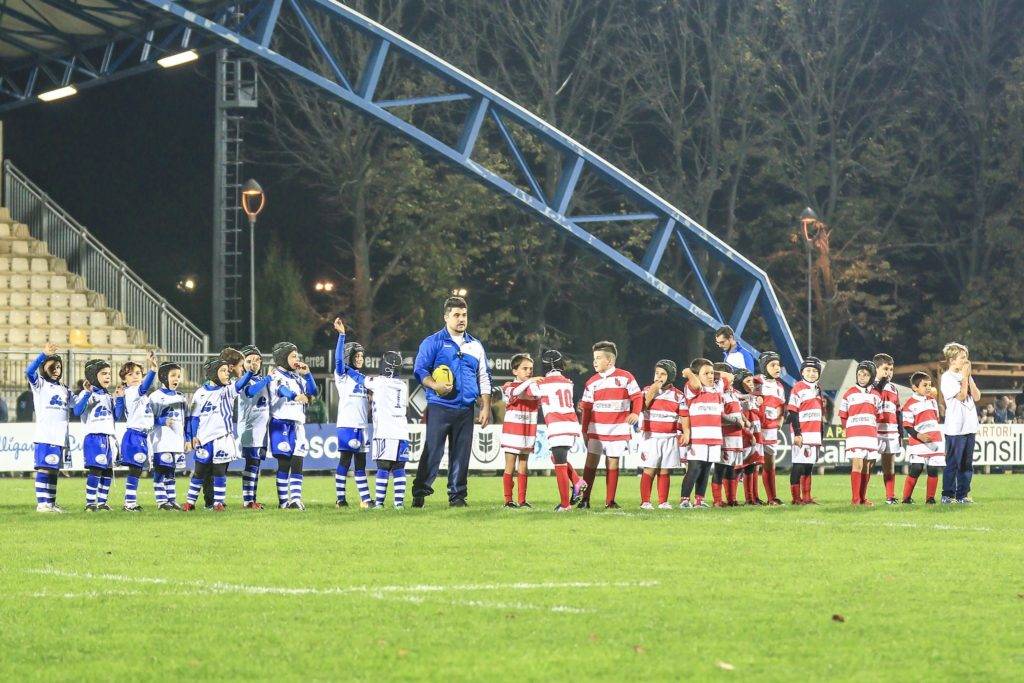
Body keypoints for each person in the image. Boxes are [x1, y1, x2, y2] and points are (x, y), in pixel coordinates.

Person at [411, 296, 491, 508]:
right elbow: (419, 370)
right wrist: (434, 385)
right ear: (446, 317)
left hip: (466, 408)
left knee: (461, 454)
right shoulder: (433, 342)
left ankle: (457, 496)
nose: (461, 319)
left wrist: (485, 406)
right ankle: (420, 491)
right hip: (440, 406)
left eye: (464, 315)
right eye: (456, 315)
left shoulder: (475, 345)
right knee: (433, 451)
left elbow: (483, 377)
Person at [183, 357, 254, 511]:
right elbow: (194, 418)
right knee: (199, 472)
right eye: (223, 371)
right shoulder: (199, 393)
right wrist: (193, 436)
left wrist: (250, 372)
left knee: (219, 472)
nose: (227, 374)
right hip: (203, 439)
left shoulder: (228, 390)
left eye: (227, 371)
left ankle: (218, 503)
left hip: (222, 439)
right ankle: (190, 502)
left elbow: (240, 383)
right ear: (213, 373)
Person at [578, 341, 642, 509]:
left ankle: (610, 501)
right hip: (596, 428)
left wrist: (635, 413)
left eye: (598, 358)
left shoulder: (625, 377)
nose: (595, 362)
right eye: (594, 358)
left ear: (610, 361)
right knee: (591, 462)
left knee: (612, 463)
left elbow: (637, 397)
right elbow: (586, 407)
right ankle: (585, 500)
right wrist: (584, 430)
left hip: (618, 427)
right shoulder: (591, 382)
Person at [521, 350, 584, 512]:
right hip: (571, 424)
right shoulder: (568, 382)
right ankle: (577, 481)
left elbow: (529, 391)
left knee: (560, 464)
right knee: (555, 457)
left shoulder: (541, 384)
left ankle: (565, 505)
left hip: (557, 425)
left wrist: (531, 380)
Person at [269, 341, 317, 510]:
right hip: (280, 423)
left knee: (298, 461)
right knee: (284, 463)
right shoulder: (275, 375)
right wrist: (295, 396)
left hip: (298, 424)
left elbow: (313, 392)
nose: (297, 359)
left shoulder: (297, 376)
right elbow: (282, 390)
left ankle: (295, 499)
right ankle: (283, 502)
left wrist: (308, 375)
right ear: (283, 358)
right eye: (293, 356)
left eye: (297, 355)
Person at [331, 318, 373, 508]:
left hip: (362, 427)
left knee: (362, 465)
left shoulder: (364, 379)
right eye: (356, 356)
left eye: (361, 356)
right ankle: (341, 499)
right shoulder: (342, 375)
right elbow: (338, 359)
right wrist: (342, 335)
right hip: (347, 425)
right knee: (345, 461)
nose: (359, 359)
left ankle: (365, 499)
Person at [74, 359, 125, 512]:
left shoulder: (108, 396)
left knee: (108, 471)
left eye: (109, 373)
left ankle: (102, 502)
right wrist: (87, 394)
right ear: (94, 376)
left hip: (109, 438)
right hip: (94, 437)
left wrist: (120, 398)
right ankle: (90, 503)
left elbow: (117, 416)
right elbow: (77, 411)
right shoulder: (86, 393)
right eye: (103, 373)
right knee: (95, 470)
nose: (107, 377)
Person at [26, 343, 70, 513]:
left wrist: (88, 393)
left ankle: (51, 503)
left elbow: (77, 407)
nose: (56, 369)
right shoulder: (40, 384)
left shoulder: (65, 389)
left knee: (53, 470)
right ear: (44, 368)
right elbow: (29, 371)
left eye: (58, 366)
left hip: (60, 437)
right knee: (44, 468)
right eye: (51, 366)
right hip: (45, 435)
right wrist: (43, 355)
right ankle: (42, 504)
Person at [637, 359, 686, 510]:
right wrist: (653, 390)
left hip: (670, 437)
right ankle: (645, 501)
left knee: (665, 470)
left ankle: (663, 501)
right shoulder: (646, 390)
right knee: (649, 468)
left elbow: (684, 416)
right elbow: (641, 406)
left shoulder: (678, 395)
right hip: (651, 437)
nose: (659, 376)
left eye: (663, 374)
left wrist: (685, 432)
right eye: (657, 373)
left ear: (670, 376)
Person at [367, 351, 411, 509]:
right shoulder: (402, 385)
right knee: (399, 468)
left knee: (383, 467)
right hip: (402, 432)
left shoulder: (379, 382)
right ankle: (398, 504)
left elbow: (360, 379)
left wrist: (347, 370)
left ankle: (379, 503)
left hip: (385, 432)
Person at [940, 342, 980, 504]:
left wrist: (968, 377)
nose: (966, 361)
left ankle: (962, 495)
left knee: (966, 464)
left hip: (969, 426)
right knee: (953, 463)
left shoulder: (966, 375)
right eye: (962, 357)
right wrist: (964, 377)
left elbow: (976, 396)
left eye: (966, 357)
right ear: (952, 360)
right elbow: (962, 396)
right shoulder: (947, 378)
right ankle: (947, 495)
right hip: (955, 428)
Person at [839, 360, 883, 506]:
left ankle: (863, 498)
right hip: (855, 435)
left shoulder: (877, 395)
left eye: (865, 374)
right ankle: (855, 500)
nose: (862, 377)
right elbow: (843, 415)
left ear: (871, 376)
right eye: (859, 374)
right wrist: (847, 430)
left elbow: (878, 416)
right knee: (857, 464)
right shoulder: (849, 393)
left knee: (867, 466)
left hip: (870, 435)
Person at [118, 353, 158, 511]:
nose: (134, 376)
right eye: (130, 374)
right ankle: (129, 503)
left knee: (137, 470)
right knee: (135, 470)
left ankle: (129, 501)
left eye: (137, 373)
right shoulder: (132, 391)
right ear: (124, 379)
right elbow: (144, 386)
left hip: (142, 435)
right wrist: (153, 370)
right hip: (135, 435)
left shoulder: (142, 395)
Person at [500, 353, 540, 508]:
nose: (529, 371)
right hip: (512, 432)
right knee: (510, 465)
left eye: (531, 369)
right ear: (514, 371)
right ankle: (508, 500)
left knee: (523, 464)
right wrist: (530, 381)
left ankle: (522, 501)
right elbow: (516, 393)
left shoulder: (532, 386)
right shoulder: (509, 386)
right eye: (524, 368)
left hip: (528, 431)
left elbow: (537, 394)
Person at [237, 346, 273, 509]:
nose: (253, 363)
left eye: (256, 360)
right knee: (251, 464)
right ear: (243, 363)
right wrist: (268, 379)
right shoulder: (242, 380)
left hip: (262, 430)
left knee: (256, 464)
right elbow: (250, 392)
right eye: (249, 360)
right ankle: (247, 501)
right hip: (250, 429)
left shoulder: (262, 380)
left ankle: (252, 499)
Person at [901, 372, 944, 504]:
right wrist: (920, 436)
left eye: (930, 385)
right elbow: (907, 426)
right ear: (915, 387)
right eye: (925, 385)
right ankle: (906, 498)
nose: (928, 388)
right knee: (917, 468)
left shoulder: (932, 401)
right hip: (919, 441)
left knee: (933, 469)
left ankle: (930, 498)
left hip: (934, 439)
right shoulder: (909, 404)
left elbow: (936, 418)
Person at [787, 356, 825, 504]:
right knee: (798, 465)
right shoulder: (798, 387)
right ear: (802, 372)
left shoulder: (817, 389)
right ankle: (796, 499)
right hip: (802, 434)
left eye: (815, 371)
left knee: (809, 466)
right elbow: (793, 412)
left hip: (814, 434)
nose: (811, 373)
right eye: (808, 370)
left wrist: (820, 436)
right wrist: (797, 433)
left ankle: (807, 497)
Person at [150, 361, 187, 510]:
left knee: (171, 471)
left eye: (178, 376)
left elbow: (186, 419)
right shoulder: (155, 397)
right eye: (173, 376)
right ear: (164, 377)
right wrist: (161, 420)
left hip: (176, 441)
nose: (176, 379)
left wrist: (187, 438)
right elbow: (147, 419)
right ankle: (161, 501)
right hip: (161, 440)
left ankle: (171, 499)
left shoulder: (181, 397)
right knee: (161, 470)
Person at [713, 363, 746, 507]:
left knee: (732, 468)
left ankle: (732, 499)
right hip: (725, 436)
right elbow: (718, 416)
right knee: (720, 469)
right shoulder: (718, 393)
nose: (732, 379)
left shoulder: (733, 393)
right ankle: (717, 500)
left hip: (737, 436)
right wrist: (735, 421)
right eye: (730, 376)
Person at [755, 351, 786, 505]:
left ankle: (771, 497)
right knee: (753, 463)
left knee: (770, 463)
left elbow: (782, 407)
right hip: (756, 429)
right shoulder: (756, 382)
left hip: (771, 430)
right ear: (763, 366)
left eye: (778, 364)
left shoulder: (780, 386)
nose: (777, 368)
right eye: (772, 365)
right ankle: (751, 497)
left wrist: (781, 418)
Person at [872, 353, 902, 504]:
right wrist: (881, 383)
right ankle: (860, 497)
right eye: (885, 369)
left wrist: (901, 434)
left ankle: (890, 497)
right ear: (876, 369)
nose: (889, 372)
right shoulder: (870, 386)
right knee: (868, 464)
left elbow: (898, 412)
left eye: (891, 369)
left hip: (890, 432)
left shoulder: (893, 388)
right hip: (874, 431)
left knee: (889, 466)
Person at [734, 369, 764, 505]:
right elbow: (742, 420)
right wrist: (749, 434)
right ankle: (736, 499)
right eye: (747, 381)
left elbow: (759, 418)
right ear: (740, 383)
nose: (751, 384)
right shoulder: (739, 398)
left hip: (756, 435)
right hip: (746, 436)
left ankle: (752, 498)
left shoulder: (751, 397)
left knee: (752, 466)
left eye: (751, 381)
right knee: (742, 467)